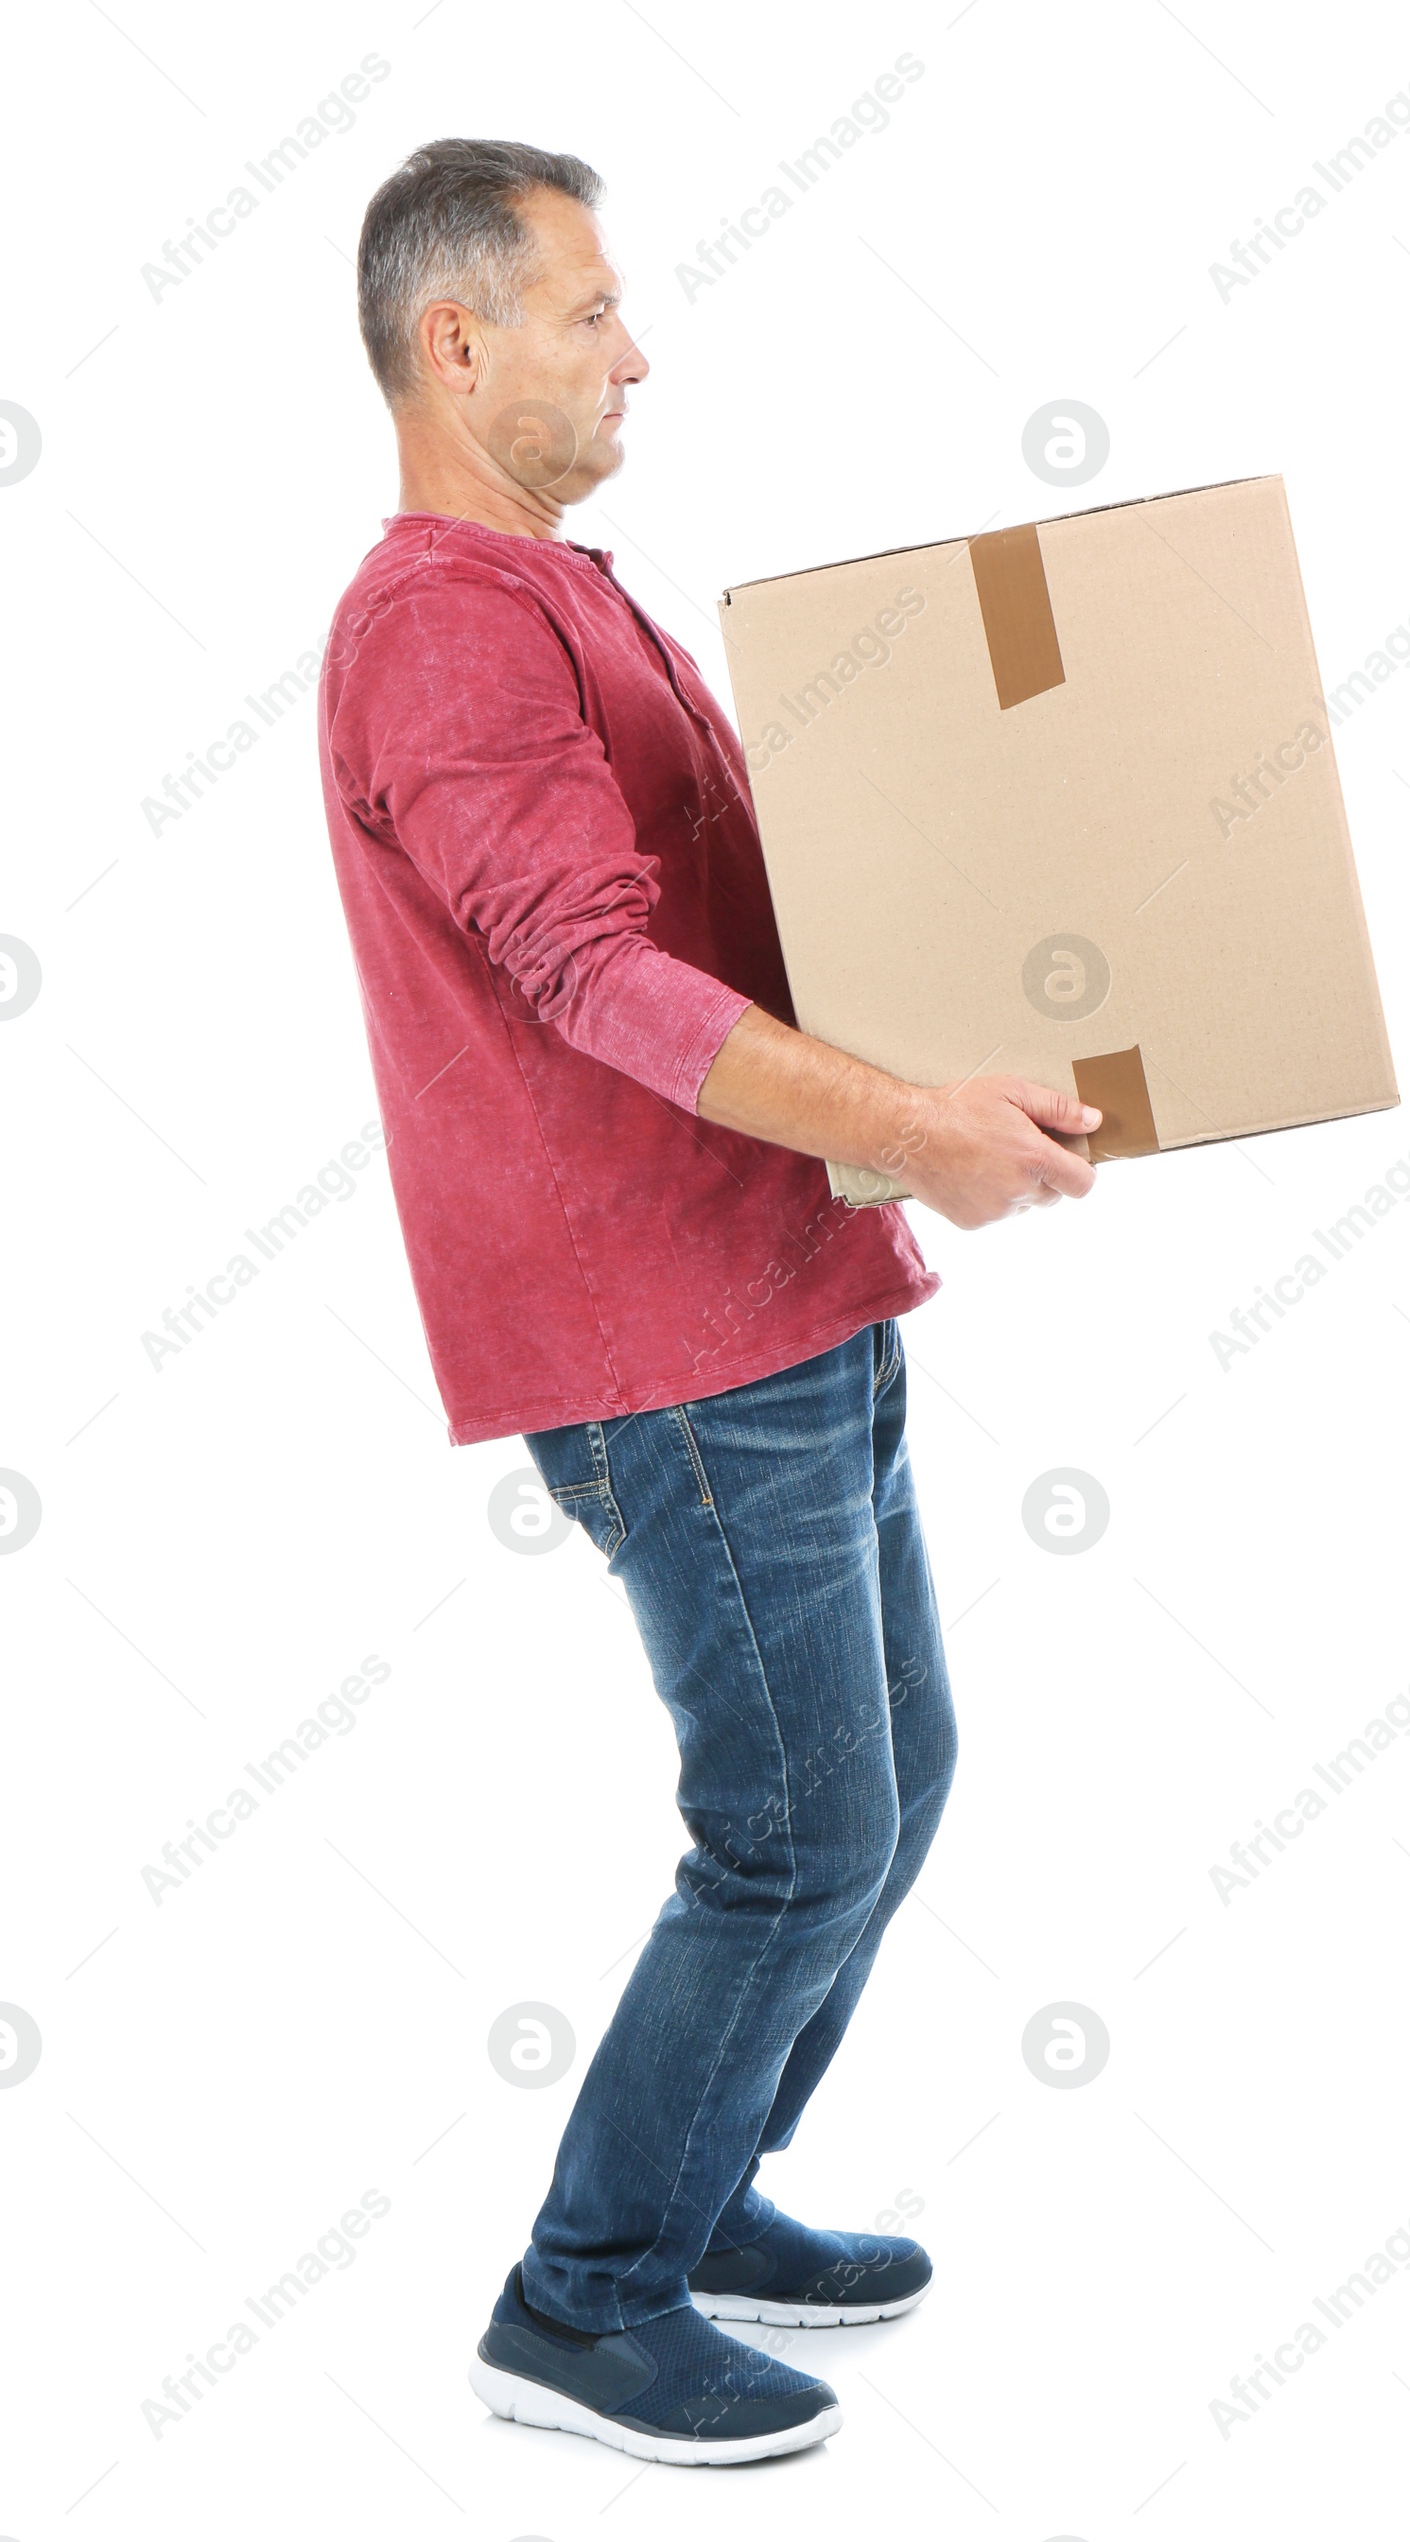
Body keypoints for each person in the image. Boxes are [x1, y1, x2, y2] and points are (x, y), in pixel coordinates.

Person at [320, 137, 1099, 2468]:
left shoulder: (567, 593)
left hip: (787, 1277)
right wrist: (922, 1120)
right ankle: (581, 2297)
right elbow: (581, 972)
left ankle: (696, 2186)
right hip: (670, 1338)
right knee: (792, 1829)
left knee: (895, 1778)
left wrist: (961, 1035)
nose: (633, 345)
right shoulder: (446, 619)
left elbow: (735, 907)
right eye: (589, 309)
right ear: (455, 341)